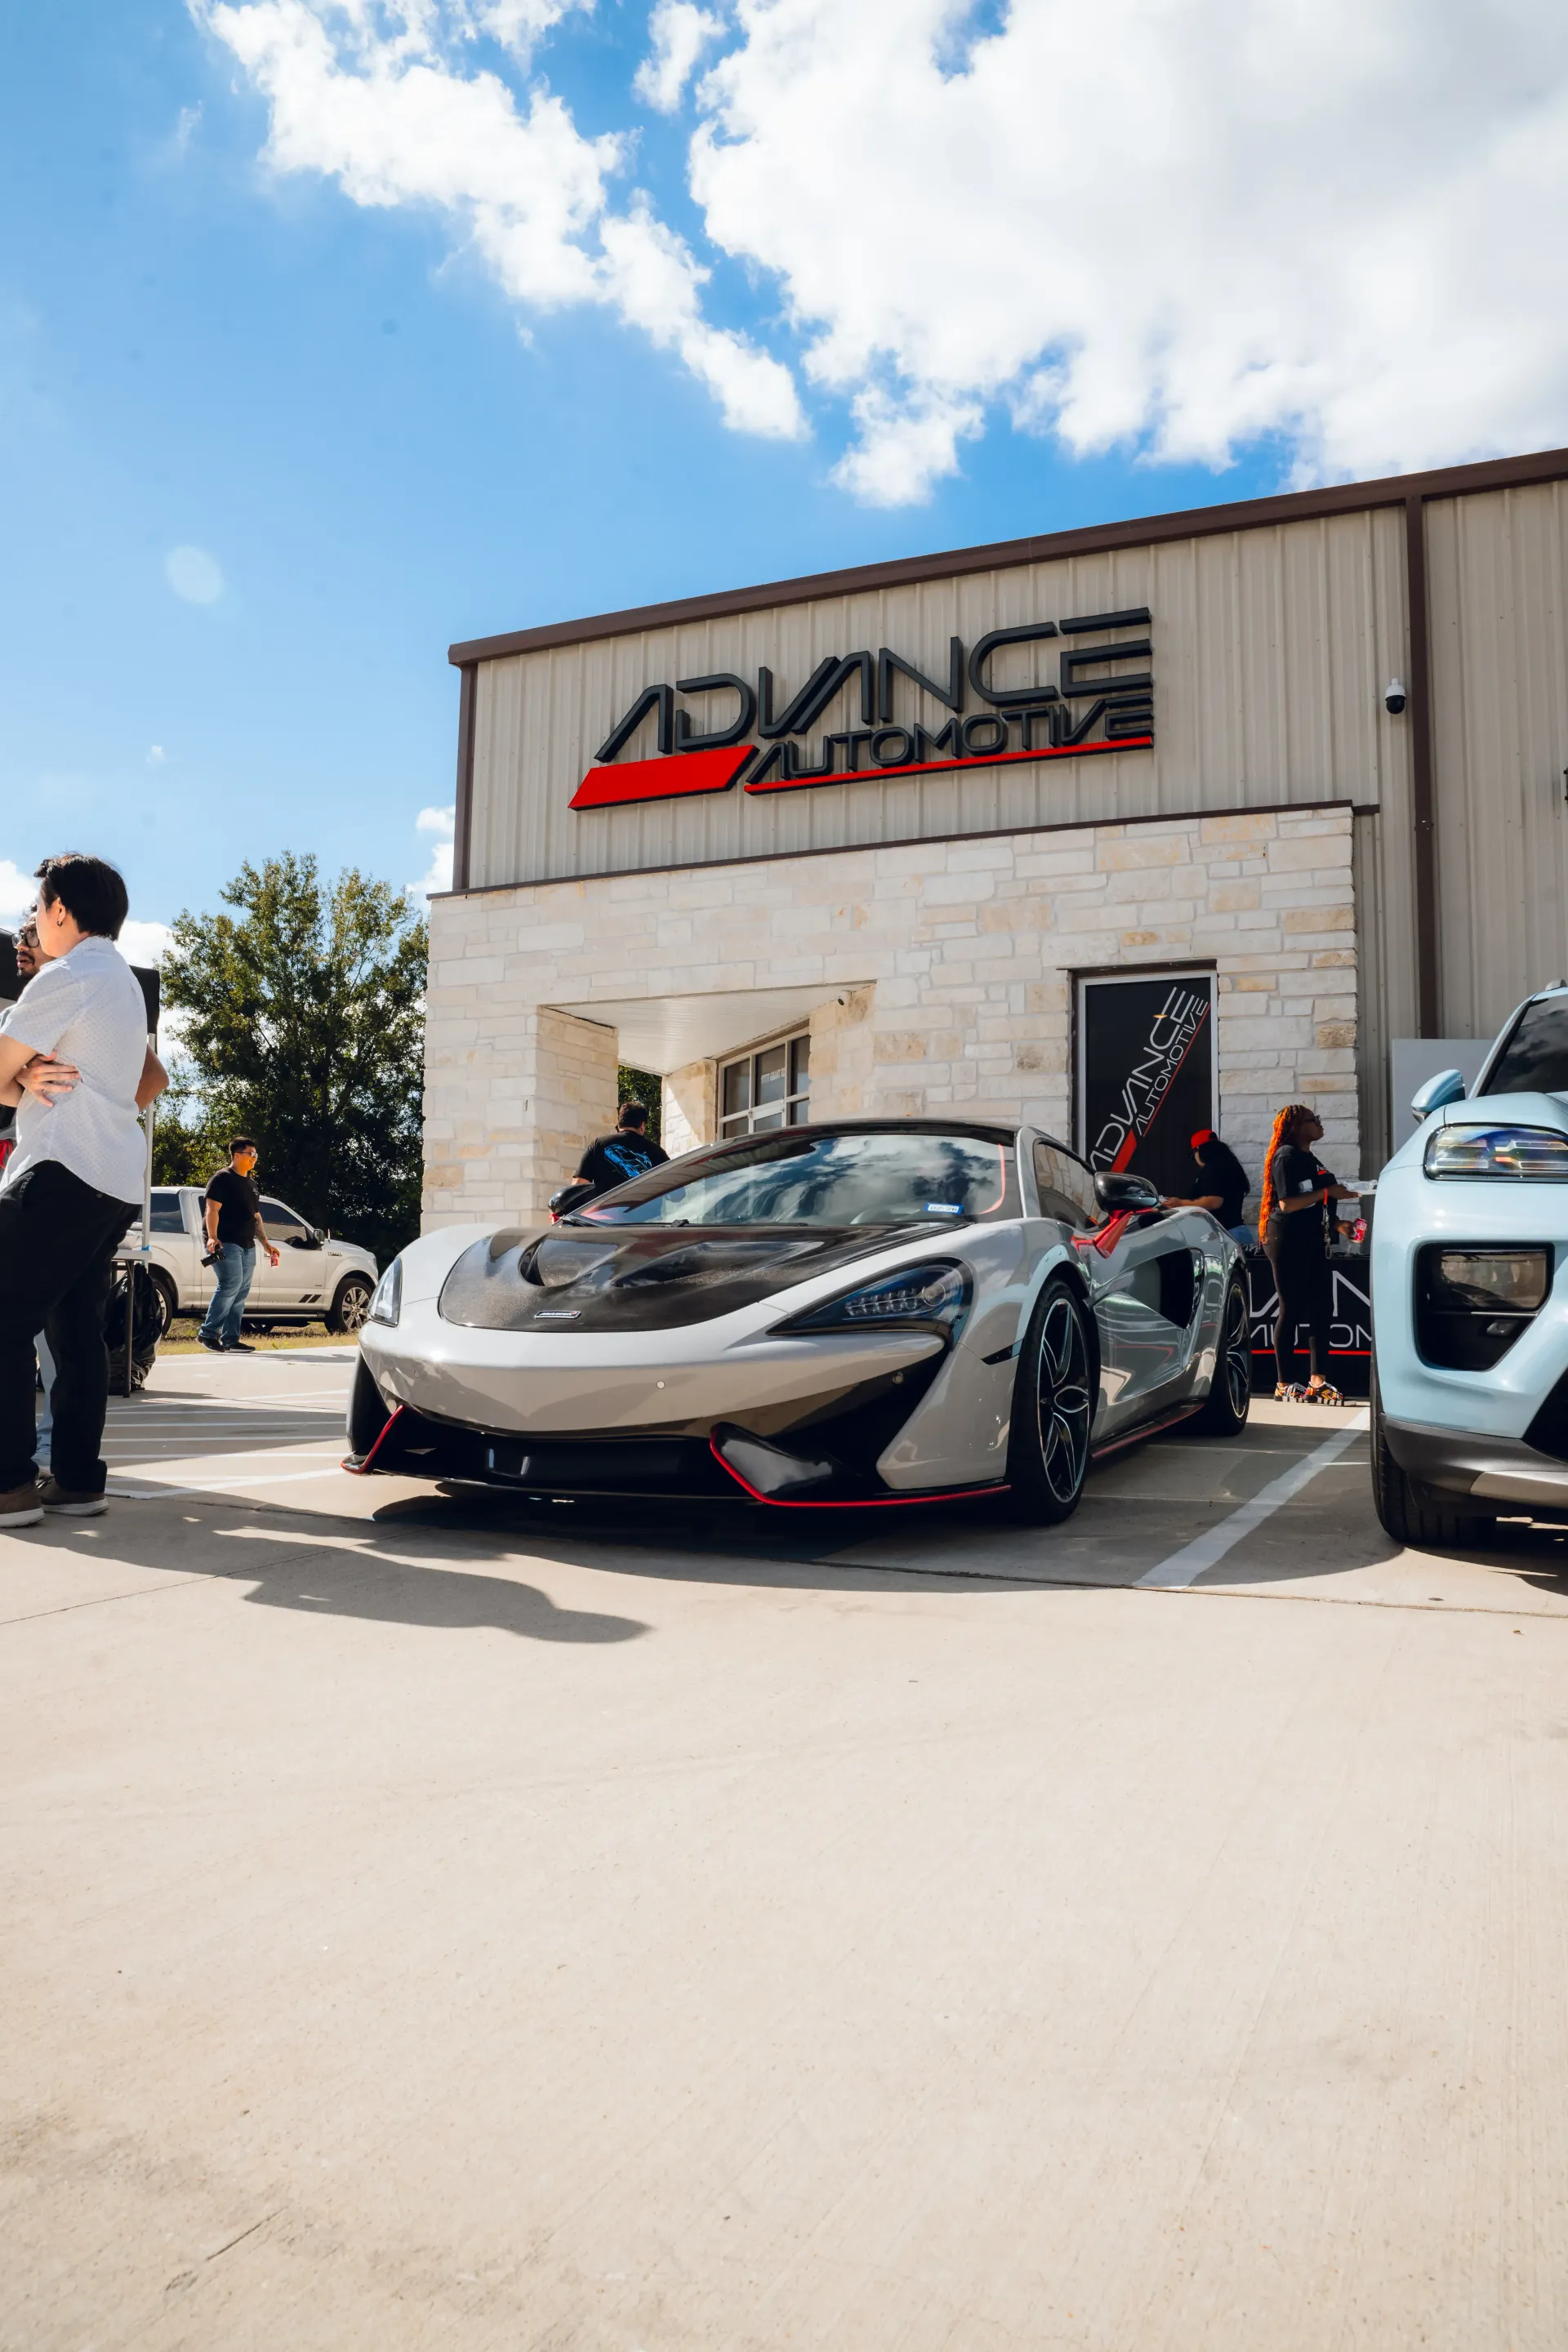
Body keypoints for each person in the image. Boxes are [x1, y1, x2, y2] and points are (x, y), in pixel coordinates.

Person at [0, 855, 167, 1527]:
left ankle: (9, 1486)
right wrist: (43, 1079)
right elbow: (150, 1082)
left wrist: (22, 1082)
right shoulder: (121, 984)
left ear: (61, 909)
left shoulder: (65, 977)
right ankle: (76, 1481)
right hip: (114, 1180)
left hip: (61, 1168)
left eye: (39, 911)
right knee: (75, 1335)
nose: (35, 924)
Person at [1258, 1102, 1359, 1404]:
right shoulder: (1286, 1156)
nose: (1319, 1123)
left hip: (1312, 1237)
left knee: (1320, 1307)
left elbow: (1317, 1204)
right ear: (1297, 1127)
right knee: (1291, 1307)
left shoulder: (1309, 1158)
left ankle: (1318, 1382)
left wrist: (1342, 1225)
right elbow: (1288, 1203)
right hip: (1286, 1238)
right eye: (1313, 1120)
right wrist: (1329, 1193)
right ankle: (1284, 1382)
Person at [198, 1138, 281, 1353]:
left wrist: (266, 1243)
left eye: (256, 1154)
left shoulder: (251, 1184)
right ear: (236, 1155)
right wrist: (212, 1237)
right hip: (226, 1242)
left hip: (247, 1245)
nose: (254, 1158)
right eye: (250, 1153)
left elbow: (256, 1216)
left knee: (241, 1292)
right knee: (230, 1285)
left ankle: (230, 1340)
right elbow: (212, 1210)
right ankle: (207, 1333)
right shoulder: (222, 1178)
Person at [1163, 1126, 1254, 1244]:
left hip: (1224, 1237)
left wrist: (1179, 1203)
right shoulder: (1230, 1166)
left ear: (1198, 1149)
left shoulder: (1212, 1169)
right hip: (1237, 1232)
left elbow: (1214, 1202)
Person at [574, 1099, 669, 1198]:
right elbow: (678, 1195)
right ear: (642, 1126)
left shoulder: (599, 1144)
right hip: (647, 1213)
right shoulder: (657, 1152)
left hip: (605, 1212)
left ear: (619, 1124)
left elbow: (579, 1184)